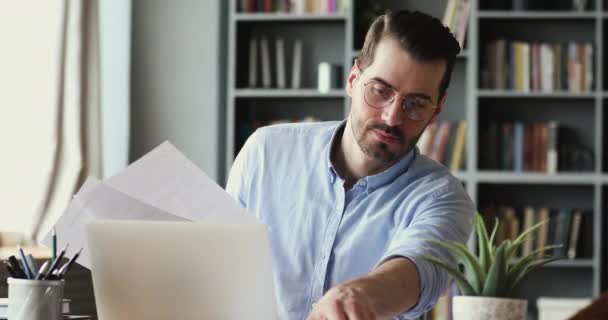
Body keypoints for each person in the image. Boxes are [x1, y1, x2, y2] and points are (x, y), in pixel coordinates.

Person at [226, 10, 474, 320]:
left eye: (415, 104)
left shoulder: (444, 198)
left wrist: (361, 296)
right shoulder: (265, 152)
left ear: (436, 111)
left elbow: (421, 269)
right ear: (354, 79)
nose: (391, 117)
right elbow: (222, 265)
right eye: (380, 91)